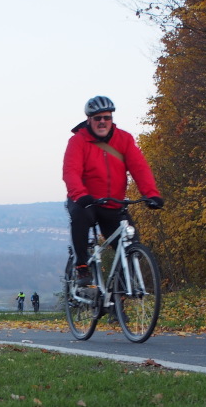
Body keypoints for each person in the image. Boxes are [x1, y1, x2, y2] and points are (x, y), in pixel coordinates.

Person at [63, 95, 163, 286]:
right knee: (80, 218)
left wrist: (151, 194)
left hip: (113, 203)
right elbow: (71, 171)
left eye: (106, 117)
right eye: (98, 118)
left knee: (131, 245)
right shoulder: (78, 141)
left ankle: (118, 300)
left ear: (111, 119)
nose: (102, 122)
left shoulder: (124, 139)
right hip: (87, 200)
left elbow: (139, 168)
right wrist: (80, 195)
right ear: (89, 120)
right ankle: (82, 266)